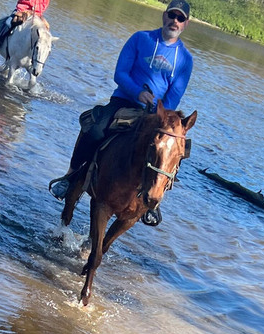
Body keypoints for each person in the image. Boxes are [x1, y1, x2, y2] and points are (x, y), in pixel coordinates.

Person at [49, 0, 194, 215]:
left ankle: (153, 201)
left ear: (185, 24)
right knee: (95, 130)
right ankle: (70, 178)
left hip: (156, 115)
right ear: (164, 16)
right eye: (172, 15)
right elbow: (120, 74)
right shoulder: (140, 38)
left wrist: (159, 112)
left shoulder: (185, 59)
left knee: (172, 151)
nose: (175, 21)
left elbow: (174, 97)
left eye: (180, 18)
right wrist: (138, 93)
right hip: (123, 102)